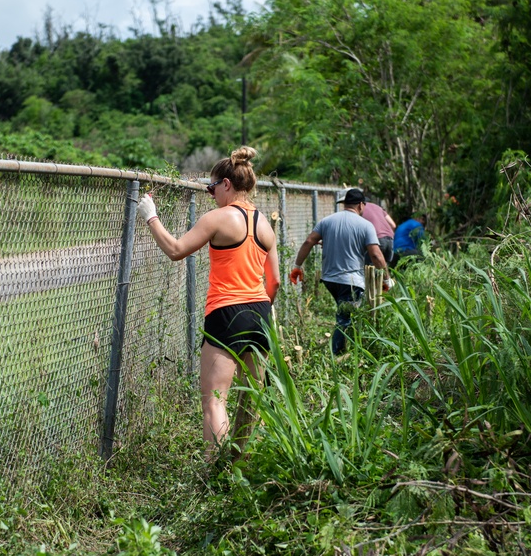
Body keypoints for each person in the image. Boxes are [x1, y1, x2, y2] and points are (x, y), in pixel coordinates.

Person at [136, 146, 280, 459]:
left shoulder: (217, 218)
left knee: (215, 400)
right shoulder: (266, 225)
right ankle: (239, 465)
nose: (210, 194)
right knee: (251, 399)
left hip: (227, 313)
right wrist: (264, 310)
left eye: (211, 188)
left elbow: (176, 250)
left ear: (227, 184)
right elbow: (275, 281)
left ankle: (216, 471)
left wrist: (151, 216)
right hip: (261, 313)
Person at [289, 188, 389, 356]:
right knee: (345, 319)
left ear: (345, 204)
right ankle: (336, 357)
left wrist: (297, 266)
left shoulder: (327, 221)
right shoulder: (365, 225)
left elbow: (309, 241)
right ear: (361, 205)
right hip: (350, 281)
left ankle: (348, 350)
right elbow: (376, 255)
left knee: (349, 315)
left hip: (329, 279)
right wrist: (386, 279)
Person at [360, 197, 397, 263]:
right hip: (390, 240)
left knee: (369, 267)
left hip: (377, 240)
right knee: (385, 268)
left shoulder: (360, 208)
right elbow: (393, 225)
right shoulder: (378, 207)